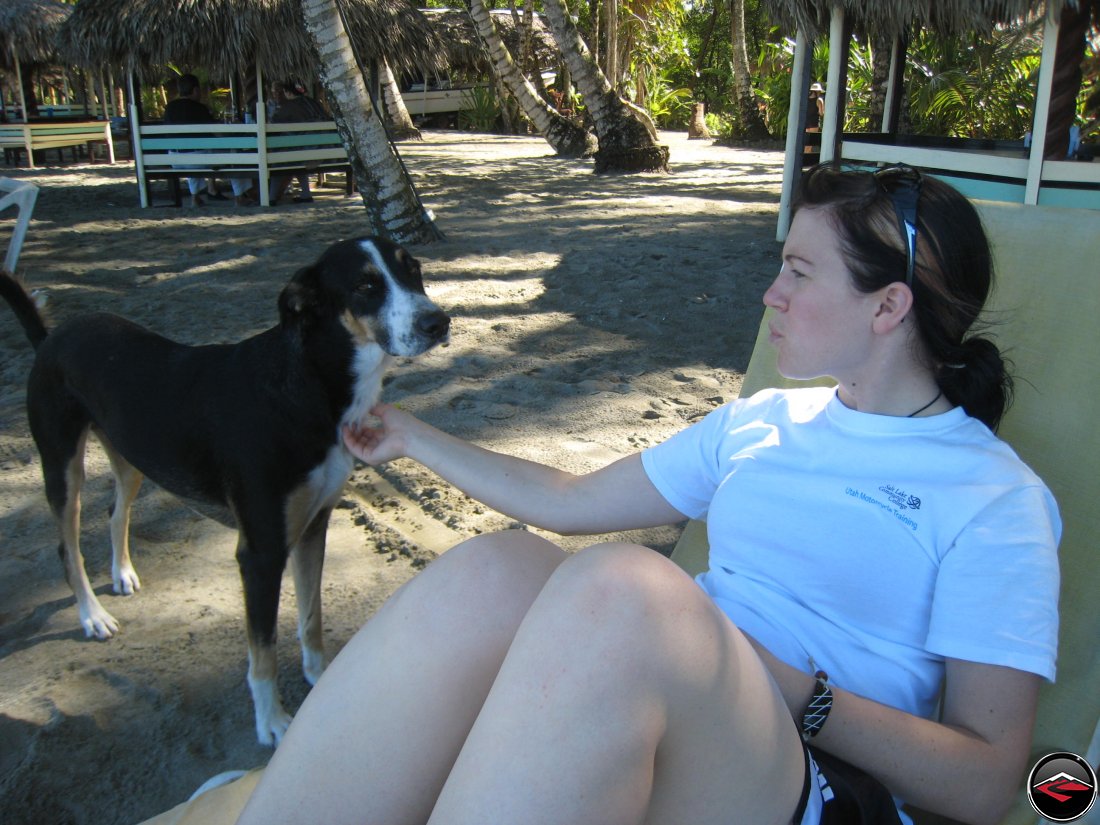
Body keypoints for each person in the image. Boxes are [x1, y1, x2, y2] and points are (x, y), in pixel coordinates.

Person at [236, 163, 1060, 825]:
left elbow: (988, 782)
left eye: (798, 272)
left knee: (623, 589)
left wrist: (795, 693)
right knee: (500, 569)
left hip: (815, 782)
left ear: (888, 306)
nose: (770, 294)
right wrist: (413, 434)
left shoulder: (992, 497)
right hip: (675, 700)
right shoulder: (762, 421)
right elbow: (565, 497)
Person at [161, 73, 256, 207]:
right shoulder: (199, 108)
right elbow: (216, 133)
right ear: (195, 90)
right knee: (235, 154)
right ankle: (240, 196)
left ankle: (195, 197)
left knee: (192, 154)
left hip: (174, 159)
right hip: (195, 159)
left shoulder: (169, 108)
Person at [268, 79, 329, 204]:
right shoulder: (314, 103)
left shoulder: (289, 106)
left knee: (277, 157)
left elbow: (273, 124)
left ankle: (272, 197)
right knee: (295, 155)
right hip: (325, 150)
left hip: (307, 152)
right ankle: (306, 194)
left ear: (286, 92)